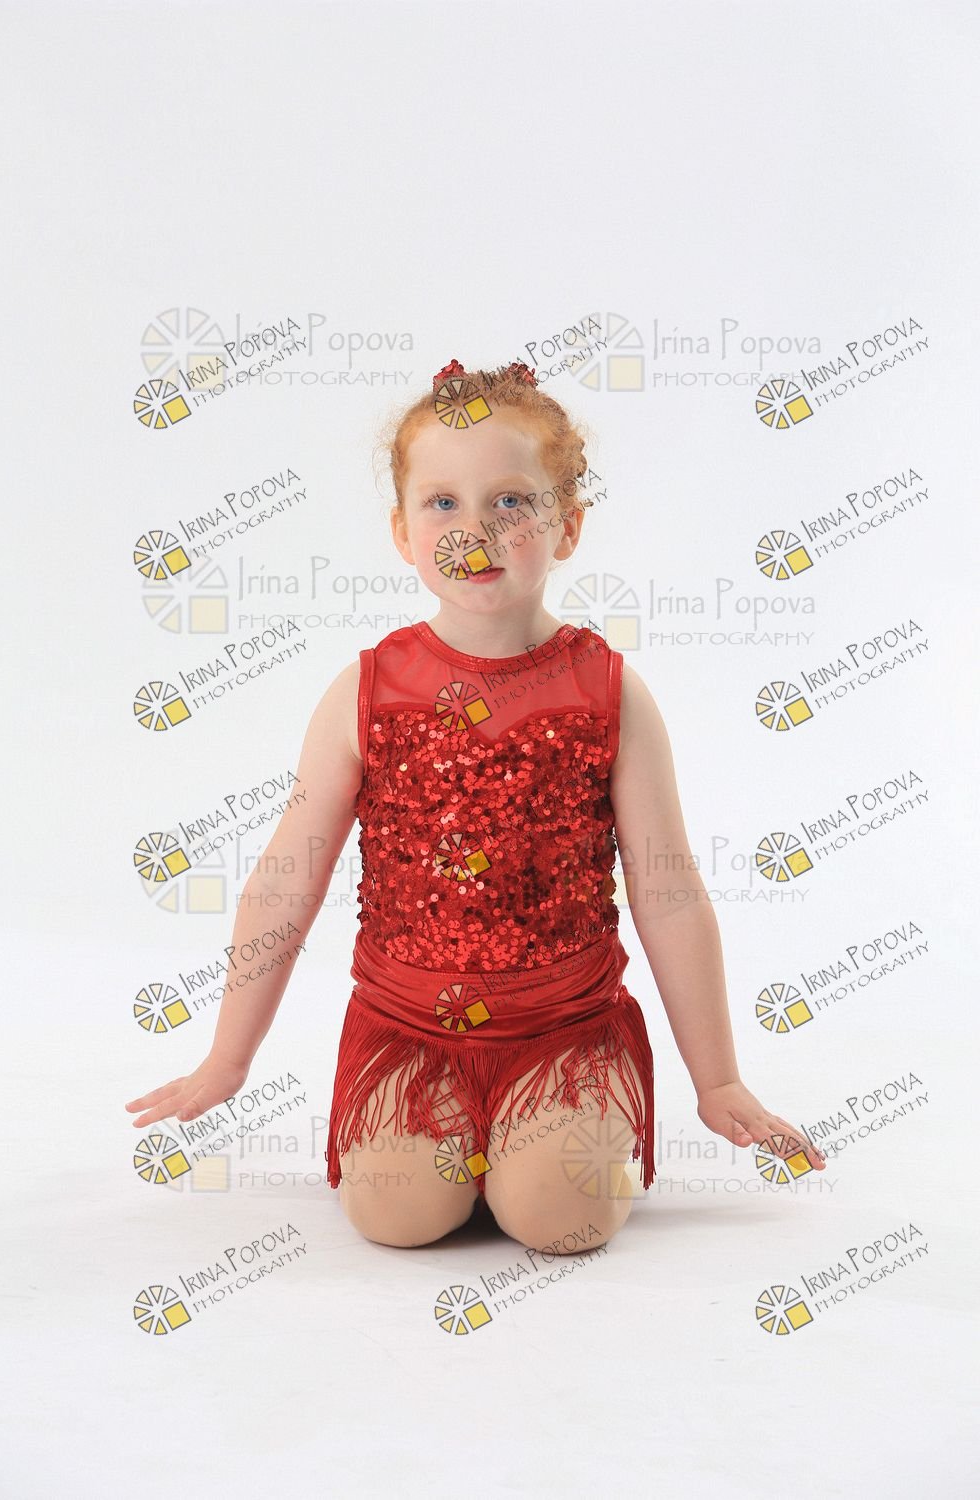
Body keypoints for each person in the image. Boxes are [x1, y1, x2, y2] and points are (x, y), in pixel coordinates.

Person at [126, 356, 826, 1253]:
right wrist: (228, 1059)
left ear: (567, 526)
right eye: (443, 503)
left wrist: (717, 1079)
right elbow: (286, 878)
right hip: (410, 1029)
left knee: (559, 1220)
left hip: (562, 1029)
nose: (475, 531)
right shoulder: (366, 691)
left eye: (511, 502)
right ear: (402, 532)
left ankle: (539, 1146)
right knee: (397, 1220)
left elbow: (670, 891)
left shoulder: (609, 692)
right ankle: (471, 1150)